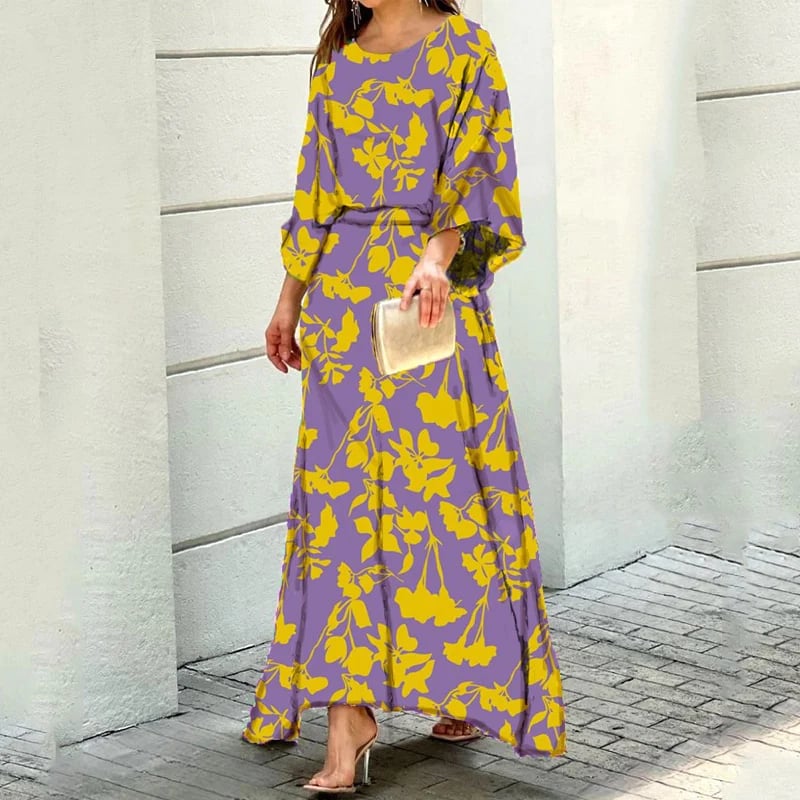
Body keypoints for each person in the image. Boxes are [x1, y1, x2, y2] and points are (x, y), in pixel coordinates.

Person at [241, 0, 567, 792]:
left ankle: (463, 681)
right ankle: (347, 721)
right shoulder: (338, 55)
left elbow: (477, 174)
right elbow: (314, 189)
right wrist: (287, 301)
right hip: (341, 306)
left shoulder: (465, 48)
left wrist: (435, 260)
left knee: (444, 502)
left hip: (426, 302)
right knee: (342, 510)